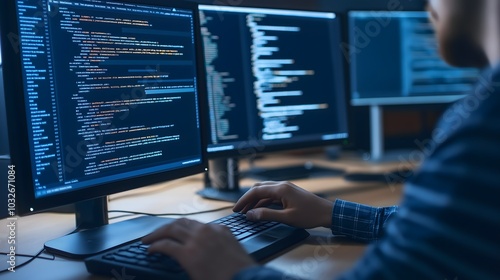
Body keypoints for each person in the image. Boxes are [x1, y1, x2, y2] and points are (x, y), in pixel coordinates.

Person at [142, 0, 500, 279]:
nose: (428, 7)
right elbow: (448, 233)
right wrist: (330, 213)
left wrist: (235, 272)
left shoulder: (481, 128)